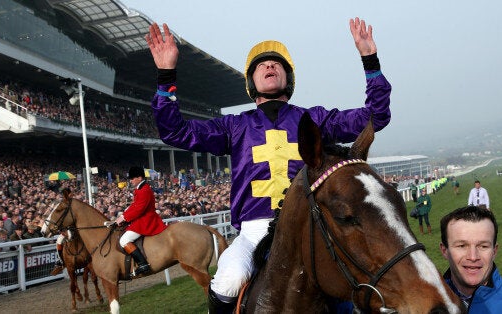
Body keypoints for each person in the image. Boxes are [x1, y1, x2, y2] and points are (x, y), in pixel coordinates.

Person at [145, 17, 391, 313]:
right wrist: (165, 74)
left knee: (343, 288)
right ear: (252, 81)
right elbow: (175, 131)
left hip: (309, 226)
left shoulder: (314, 119)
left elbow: (375, 117)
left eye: (277, 64)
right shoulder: (234, 126)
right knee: (228, 280)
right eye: (262, 65)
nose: (270, 67)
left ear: (288, 77)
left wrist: (370, 60)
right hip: (253, 231)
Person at [113, 166, 167, 277]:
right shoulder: (141, 188)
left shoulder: (144, 189)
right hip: (142, 217)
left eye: (132, 178)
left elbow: (139, 209)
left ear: (139, 177)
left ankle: (143, 264)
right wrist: (123, 215)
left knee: (124, 240)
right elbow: (135, 206)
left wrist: (124, 218)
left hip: (146, 220)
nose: (131, 180)